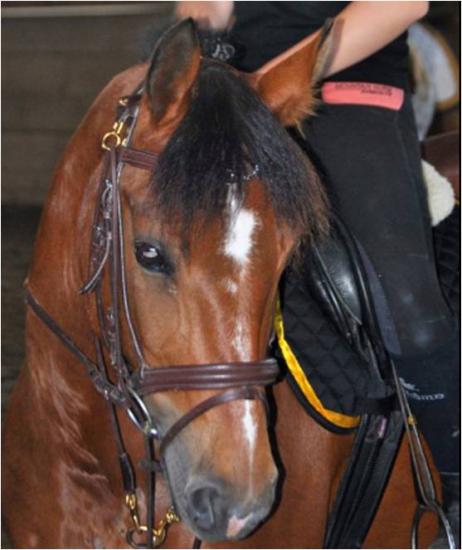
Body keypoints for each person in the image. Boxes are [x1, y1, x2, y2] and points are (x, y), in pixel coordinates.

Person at [175, 3, 460, 546]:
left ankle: (454, 483)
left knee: (410, 308)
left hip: (349, 89)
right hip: (230, 89)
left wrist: (273, 84)